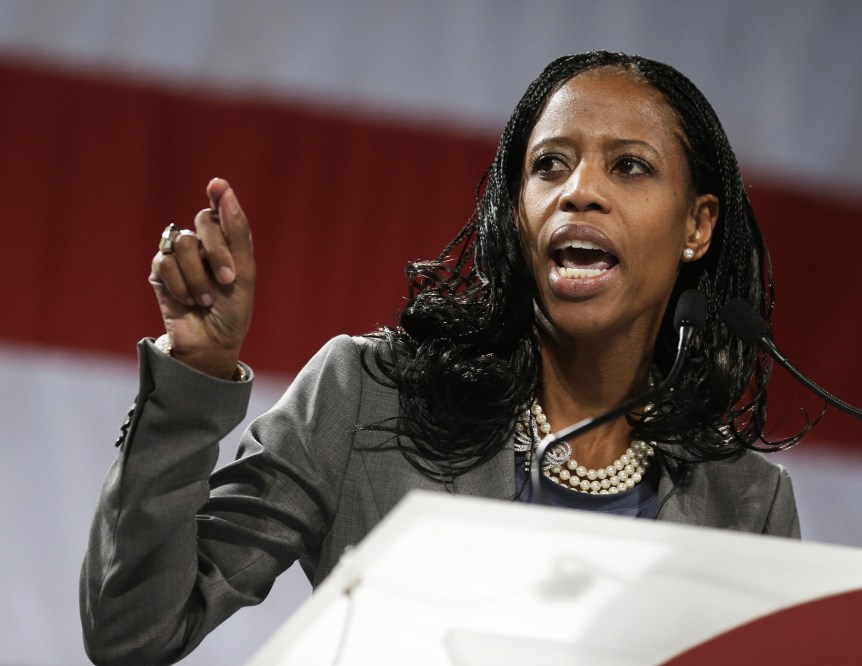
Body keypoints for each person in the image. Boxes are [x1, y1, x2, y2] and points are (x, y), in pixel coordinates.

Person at [81, 51, 804, 665]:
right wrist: (195, 373)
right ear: (516, 210)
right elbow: (134, 633)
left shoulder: (746, 504)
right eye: (549, 165)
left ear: (697, 226)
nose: (580, 191)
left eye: (630, 167)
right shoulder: (367, 399)